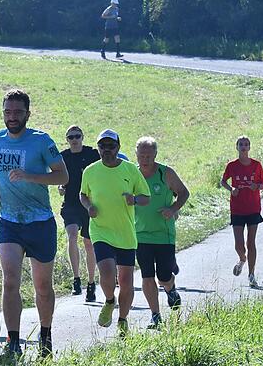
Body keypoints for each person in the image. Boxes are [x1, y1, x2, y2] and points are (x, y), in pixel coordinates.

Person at [0, 89, 68, 361]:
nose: (12, 117)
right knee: (10, 281)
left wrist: (29, 176)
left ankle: (46, 335)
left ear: (28, 114)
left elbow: (62, 176)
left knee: (42, 286)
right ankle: (13, 340)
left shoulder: (41, 141)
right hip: (9, 222)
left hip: (40, 222)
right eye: (8, 112)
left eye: (17, 112)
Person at [79, 129, 149, 338]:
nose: (106, 150)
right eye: (103, 146)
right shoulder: (90, 171)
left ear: (118, 147)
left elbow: (146, 197)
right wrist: (88, 206)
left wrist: (134, 200)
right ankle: (110, 300)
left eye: (111, 146)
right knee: (107, 272)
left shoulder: (130, 170)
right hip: (101, 231)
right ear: (98, 148)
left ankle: (123, 320)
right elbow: (82, 194)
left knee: (126, 281)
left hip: (125, 233)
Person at [134, 137, 190, 329]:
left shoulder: (165, 173)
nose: (145, 159)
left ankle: (171, 289)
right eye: (141, 155)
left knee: (164, 276)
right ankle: (155, 316)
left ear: (155, 155)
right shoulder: (132, 174)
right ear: (136, 155)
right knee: (147, 276)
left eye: (149, 155)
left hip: (164, 234)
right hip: (140, 234)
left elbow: (184, 192)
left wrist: (173, 209)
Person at [58, 125, 100, 301]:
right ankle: (76, 279)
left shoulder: (92, 154)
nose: (74, 140)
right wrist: (60, 187)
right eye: (70, 137)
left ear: (82, 137)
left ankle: (91, 283)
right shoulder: (63, 157)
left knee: (89, 243)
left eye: (77, 136)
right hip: (70, 204)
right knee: (72, 236)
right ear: (67, 140)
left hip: (88, 203)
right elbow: (58, 177)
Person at [221, 136, 263, 287]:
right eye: (241, 144)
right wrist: (231, 189)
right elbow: (223, 181)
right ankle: (242, 259)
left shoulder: (256, 165)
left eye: (246, 144)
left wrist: (257, 186)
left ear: (249, 147)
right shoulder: (232, 165)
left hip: (253, 207)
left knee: (251, 242)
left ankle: (251, 274)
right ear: (237, 147)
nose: (244, 147)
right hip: (237, 208)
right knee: (239, 245)